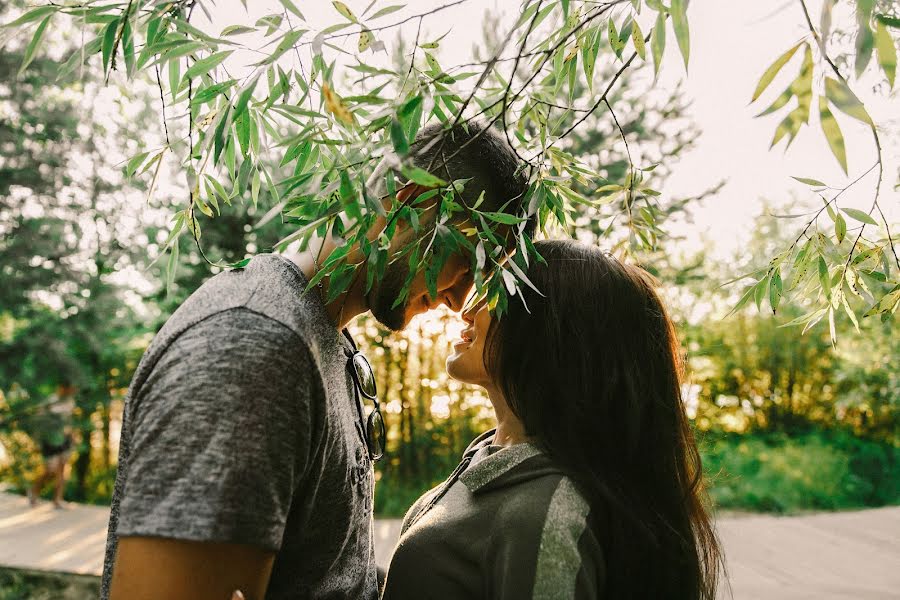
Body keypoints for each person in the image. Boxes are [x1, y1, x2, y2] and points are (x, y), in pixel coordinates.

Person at [101, 121, 532, 600]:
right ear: (412, 200)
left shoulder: (326, 340)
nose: (459, 300)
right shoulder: (253, 345)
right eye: (467, 264)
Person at [381, 239, 723, 599]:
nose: (467, 309)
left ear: (549, 325)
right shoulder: (490, 460)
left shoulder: (545, 515)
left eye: (497, 292)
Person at [28, 384, 75, 509]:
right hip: (50, 439)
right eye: (69, 387)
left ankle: (57, 500)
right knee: (50, 470)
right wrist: (38, 440)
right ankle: (33, 492)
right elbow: (39, 421)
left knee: (62, 469)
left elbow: (69, 420)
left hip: (64, 439)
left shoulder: (70, 402)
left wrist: (73, 436)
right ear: (61, 387)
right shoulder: (51, 401)